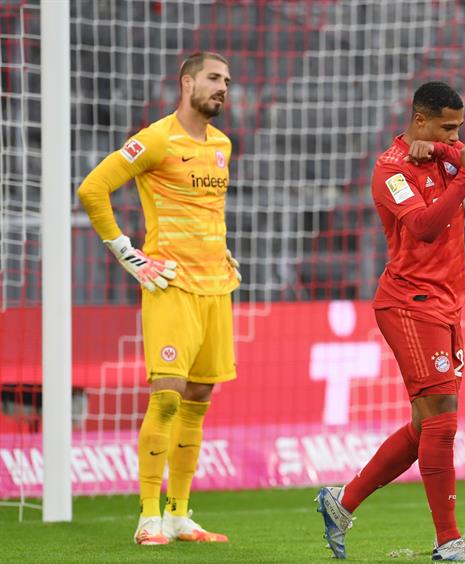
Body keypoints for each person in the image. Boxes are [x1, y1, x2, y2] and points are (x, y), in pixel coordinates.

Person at [316, 81, 465, 561]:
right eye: (447, 127)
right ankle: (449, 541)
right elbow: (423, 228)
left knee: (427, 425)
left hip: (446, 304)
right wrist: (462, 173)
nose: (456, 135)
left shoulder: (444, 154)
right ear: (419, 119)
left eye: (460, 128)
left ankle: (342, 502)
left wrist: (446, 150)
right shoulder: (391, 168)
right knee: (442, 419)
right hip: (409, 303)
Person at [77, 51, 240, 546]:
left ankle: (179, 515)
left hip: (216, 287)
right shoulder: (155, 139)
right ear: (187, 83)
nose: (223, 87)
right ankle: (149, 516)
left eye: (227, 80)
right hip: (169, 286)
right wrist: (128, 255)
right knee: (167, 395)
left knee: (199, 399)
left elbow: (207, 211)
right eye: (213, 78)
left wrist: (221, 250)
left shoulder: (222, 145)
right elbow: (93, 189)